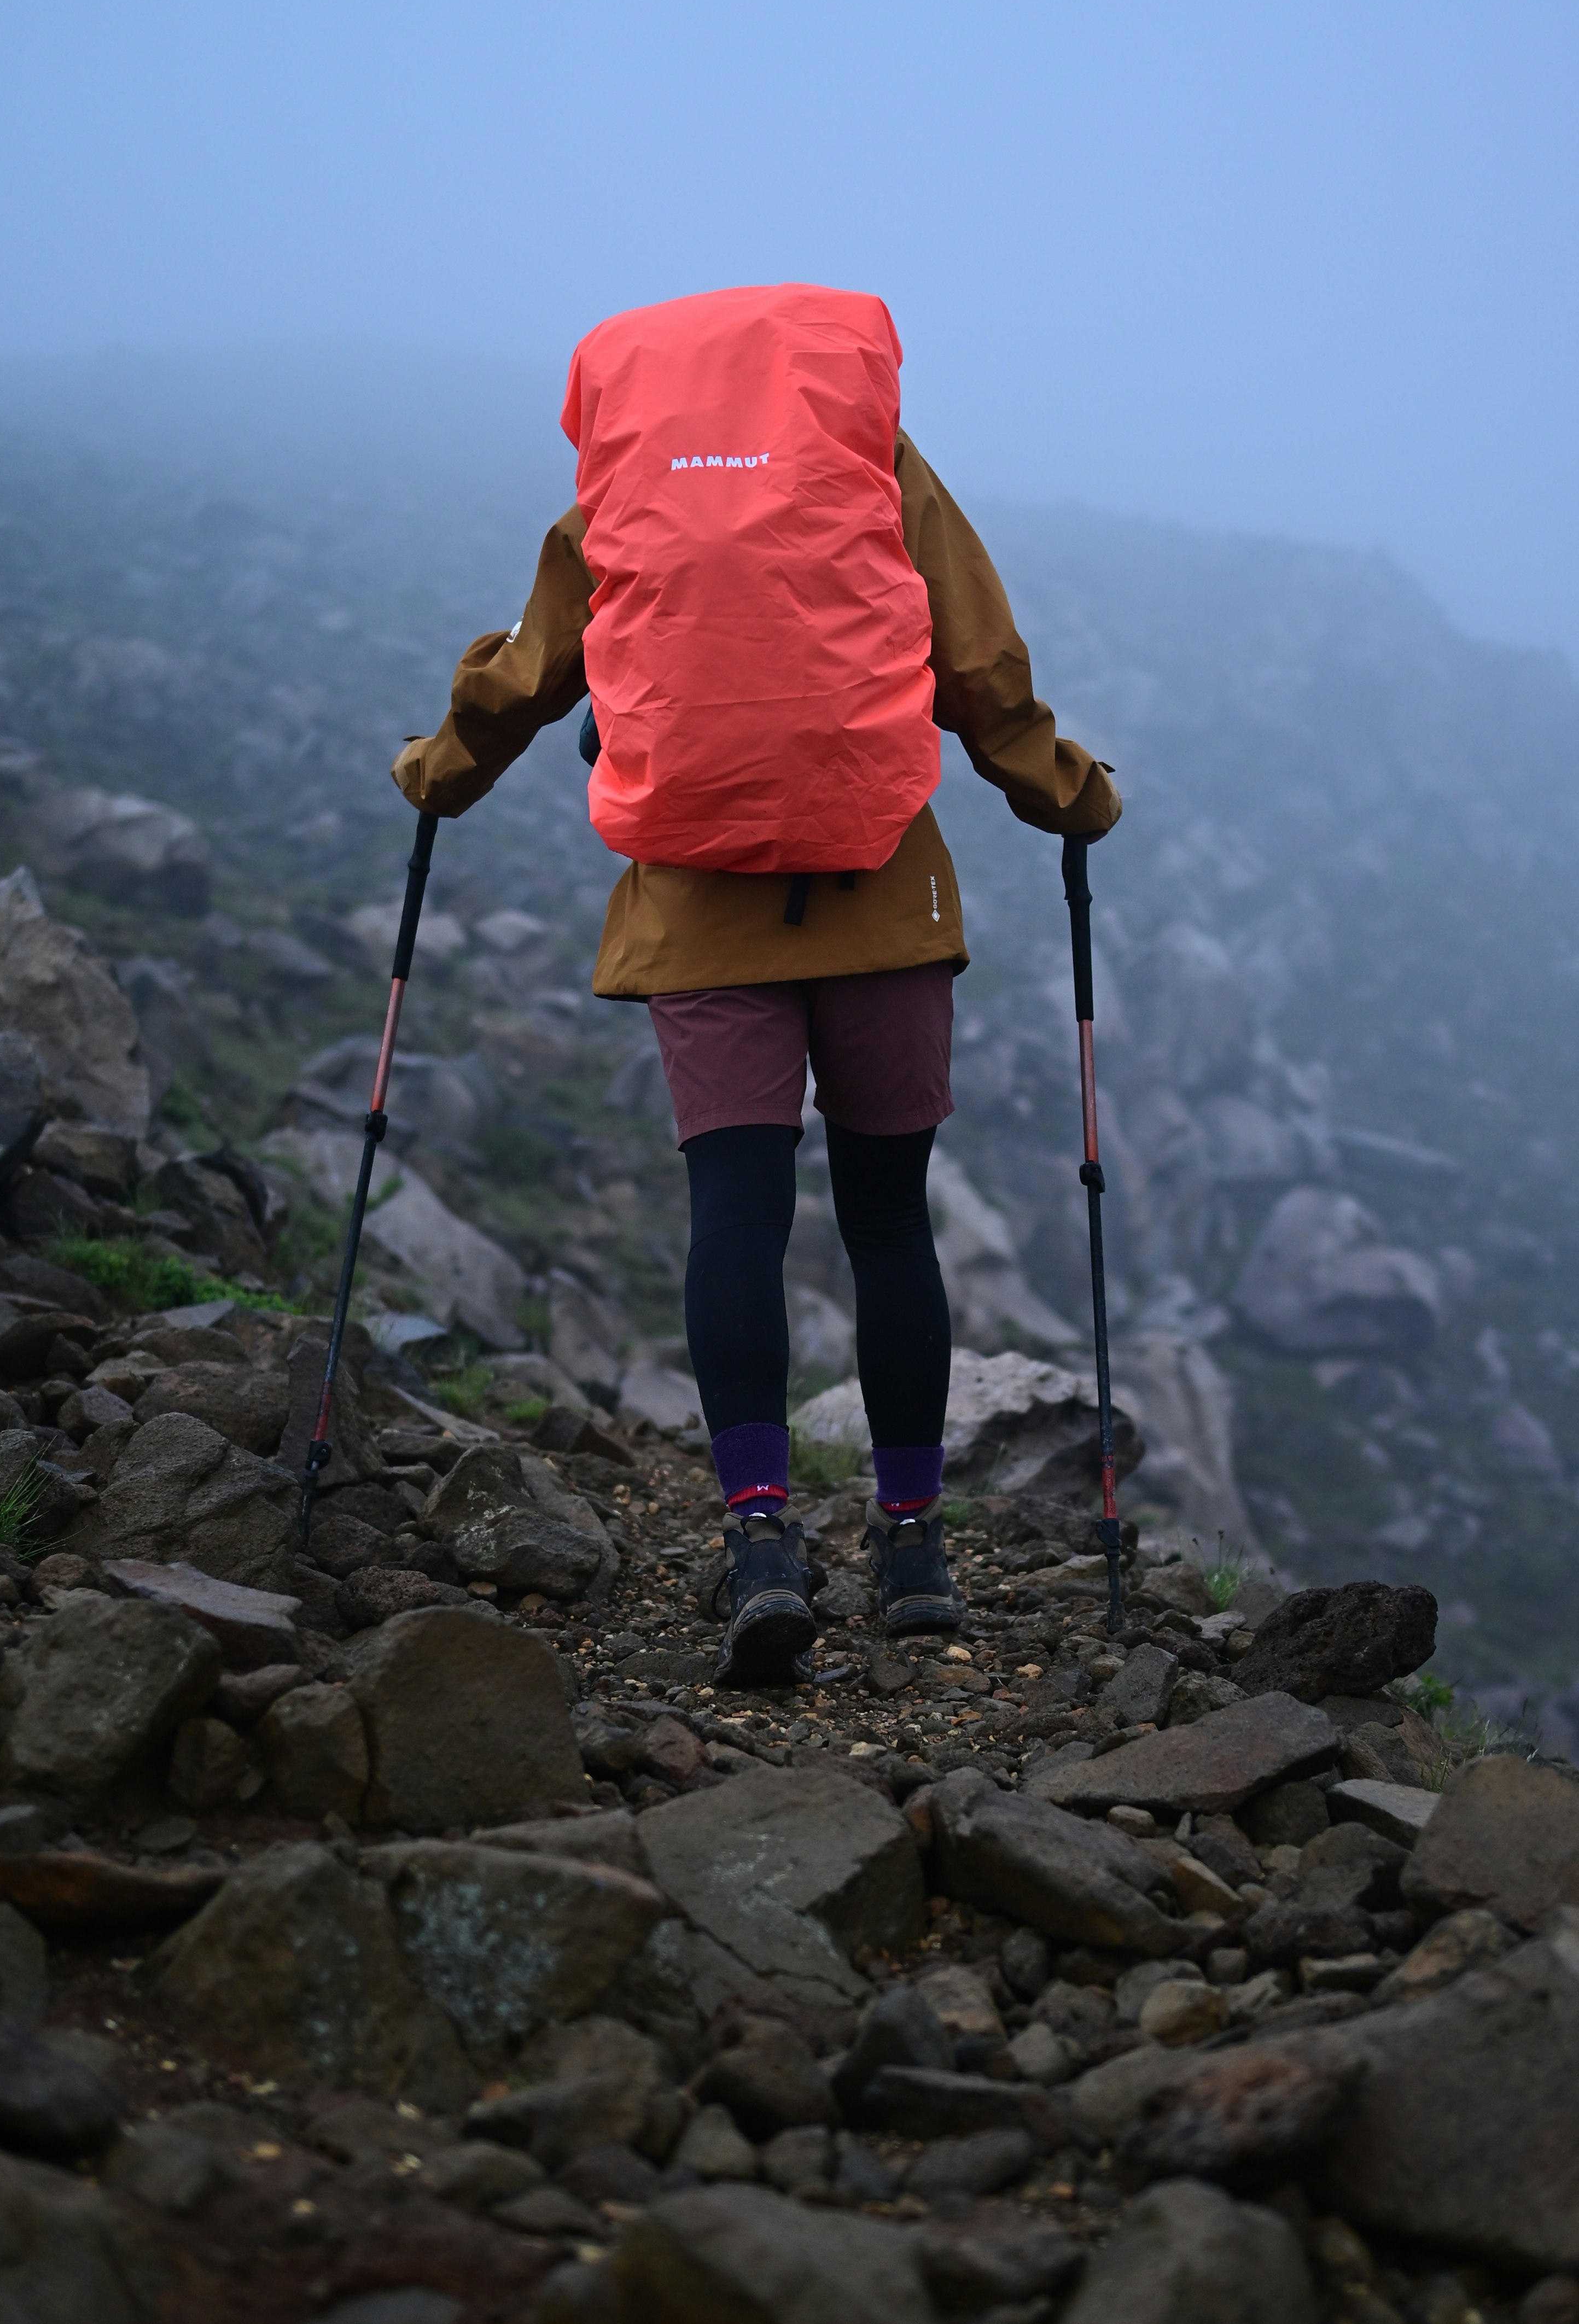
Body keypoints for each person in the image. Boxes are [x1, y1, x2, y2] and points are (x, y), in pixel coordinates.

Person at [392, 283, 1119, 1688]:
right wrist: (1067, 796)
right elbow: (978, 668)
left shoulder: (624, 488)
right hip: (881, 893)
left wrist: (439, 776)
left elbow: (534, 671)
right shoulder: (875, 466)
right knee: (889, 1221)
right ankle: (913, 1546)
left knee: (735, 1209)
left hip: (697, 897)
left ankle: (760, 1536)